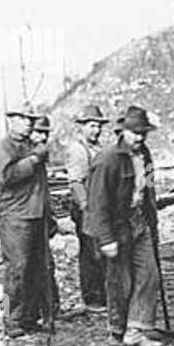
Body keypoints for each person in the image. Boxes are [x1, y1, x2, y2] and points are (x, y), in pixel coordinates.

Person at [86, 105, 163, 346]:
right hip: (117, 226)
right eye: (134, 133)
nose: (139, 138)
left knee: (149, 274)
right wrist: (106, 238)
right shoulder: (108, 159)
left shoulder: (146, 155)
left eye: (143, 133)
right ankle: (117, 331)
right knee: (120, 280)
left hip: (140, 220)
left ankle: (135, 329)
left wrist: (153, 220)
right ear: (123, 131)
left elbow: (150, 186)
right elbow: (97, 204)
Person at [0, 105, 48, 337]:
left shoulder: (29, 146)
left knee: (33, 268)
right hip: (14, 216)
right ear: (11, 120)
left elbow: (42, 185)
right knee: (17, 269)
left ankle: (29, 317)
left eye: (30, 119)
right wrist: (33, 159)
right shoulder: (2, 147)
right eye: (23, 119)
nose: (28, 123)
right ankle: (10, 318)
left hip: (34, 214)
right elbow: (7, 176)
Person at [65, 103, 111, 313]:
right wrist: (85, 208)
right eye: (92, 126)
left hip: (99, 207)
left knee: (100, 251)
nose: (96, 130)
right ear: (82, 127)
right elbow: (75, 183)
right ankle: (92, 299)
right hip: (87, 208)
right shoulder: (78, 149)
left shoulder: (97, 148)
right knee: (91, 253)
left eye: (98, 126)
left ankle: (102, 295)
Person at [29, 114, 60, 324]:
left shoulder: (40, 158)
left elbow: (43, 192)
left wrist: (50, 216)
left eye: (45, 133)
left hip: (40, 218)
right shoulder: (25, 157)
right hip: (22, 221)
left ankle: (49, 311)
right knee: (20, 270)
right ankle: (11, 314)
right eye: (38, 132)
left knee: (46, 266)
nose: (41, 137)